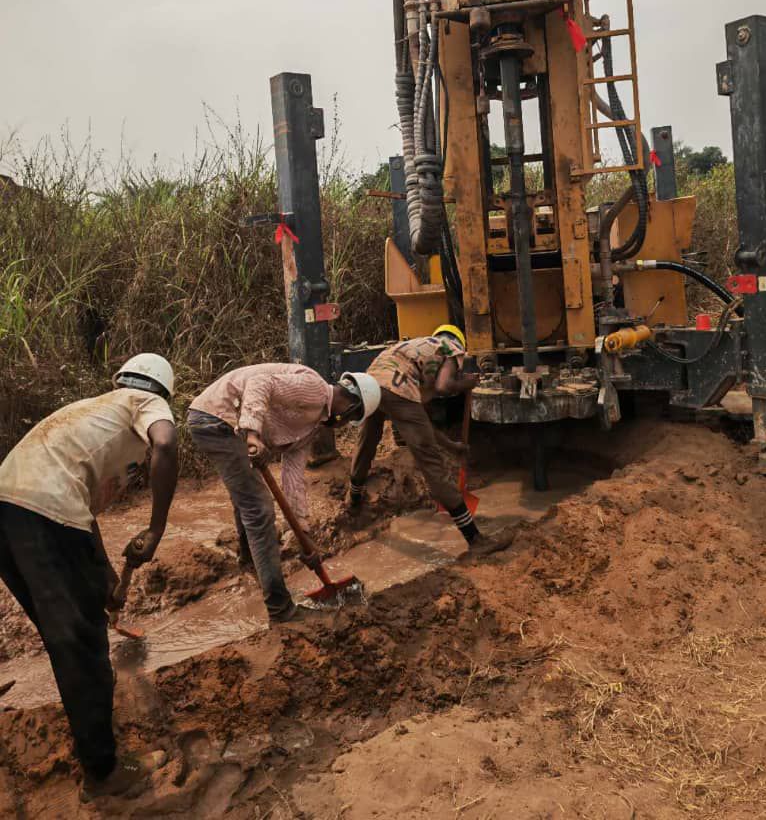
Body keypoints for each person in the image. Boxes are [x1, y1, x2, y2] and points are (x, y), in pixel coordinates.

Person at [0, 353, 178, 802]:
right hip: (45, 512)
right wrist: (156, 528)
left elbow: (86, 520)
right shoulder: (145, 403)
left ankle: (93, 738)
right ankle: (104, 773)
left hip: (9, 511)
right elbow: (167, 445)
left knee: (68, 640)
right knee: (84, 646)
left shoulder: (94, 415)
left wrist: (106, 578)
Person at [187, 364, 380, 623]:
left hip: (218, 419)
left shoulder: (311, 426)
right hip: (219, 418)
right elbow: (259, 383)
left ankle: (250, 563)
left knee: (247, 497)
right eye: (349, 419)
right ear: (350, 406)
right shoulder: (315, 389)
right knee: (259, 509)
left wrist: (302, 530)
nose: (344, 425)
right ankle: (281, 609)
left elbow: (293, 474)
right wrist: (253, 433)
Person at [347, 326, 513, 557]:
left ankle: (354, 499)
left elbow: (420, 423)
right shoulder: (451, 348)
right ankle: (476, 540)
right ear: (459, 343)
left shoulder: (416, 348)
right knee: (432, 464)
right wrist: (466, 383)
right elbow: (443, 386)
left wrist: (451, 446)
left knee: (366, 443)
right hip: (397, 388)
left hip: (369, 385)